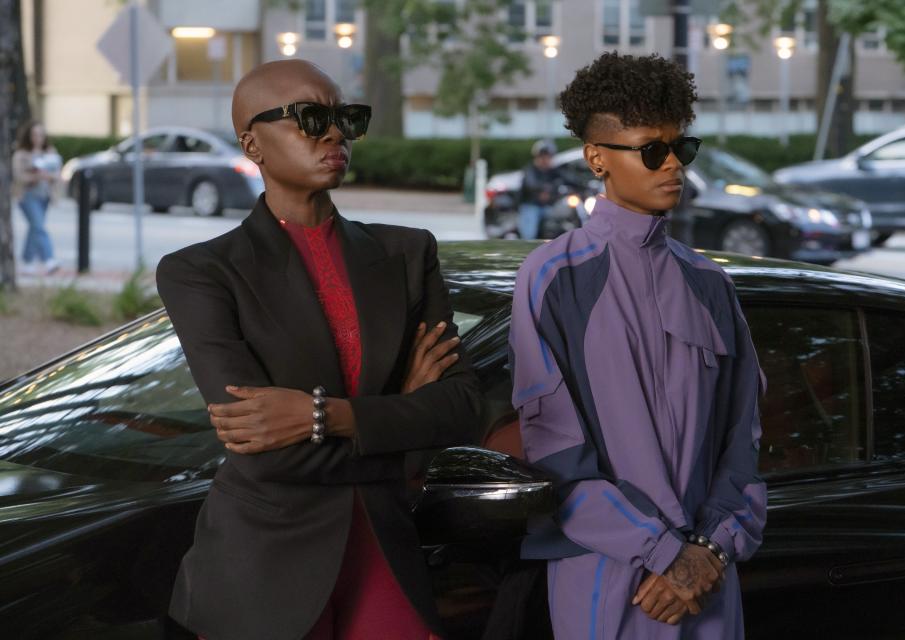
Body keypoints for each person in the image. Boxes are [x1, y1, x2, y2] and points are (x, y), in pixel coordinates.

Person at [156, 59, 483, 640]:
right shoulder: (201, 272)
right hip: (259, 573)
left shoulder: (408, 254)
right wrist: (401, 417)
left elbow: (461, 408)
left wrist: (324, 416)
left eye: (344, 118)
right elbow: (265, 452)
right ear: (252, 143)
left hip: (386, 552)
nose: (334, 133)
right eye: (310, 118)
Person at [508, 52, 767, 639]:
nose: (674, 164)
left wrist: (708, 552)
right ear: (596, 158)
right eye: (653, 150)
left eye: (682, 148)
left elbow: (743, 439)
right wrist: (663, 553)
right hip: (608, 577)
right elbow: (554, 452)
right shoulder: (553, 278)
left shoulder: (710, 284)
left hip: (705, 583)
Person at [12, 121, 61, 275]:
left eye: (41, 134)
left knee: (35, 228)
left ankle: (27, 262)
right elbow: (18, 176)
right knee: (38, 226)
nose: (38, 138)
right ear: (29, 136)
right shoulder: (21, 154)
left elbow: (57, 174)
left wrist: (48, 176)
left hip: (44, 196)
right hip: (27, 196)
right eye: (34, 134)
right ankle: (49, 259)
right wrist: (34, 176)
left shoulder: (51, 152)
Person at [517, 139, 562, 240]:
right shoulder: (530, 170)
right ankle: (528, 250)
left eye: (548, 156)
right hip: (531, 205)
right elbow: (531, 183)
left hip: (548, 206)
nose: (545, 159)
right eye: (542, 156)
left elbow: (565, 179)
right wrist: (543, 190)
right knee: (529, 234)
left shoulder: (553, 171)